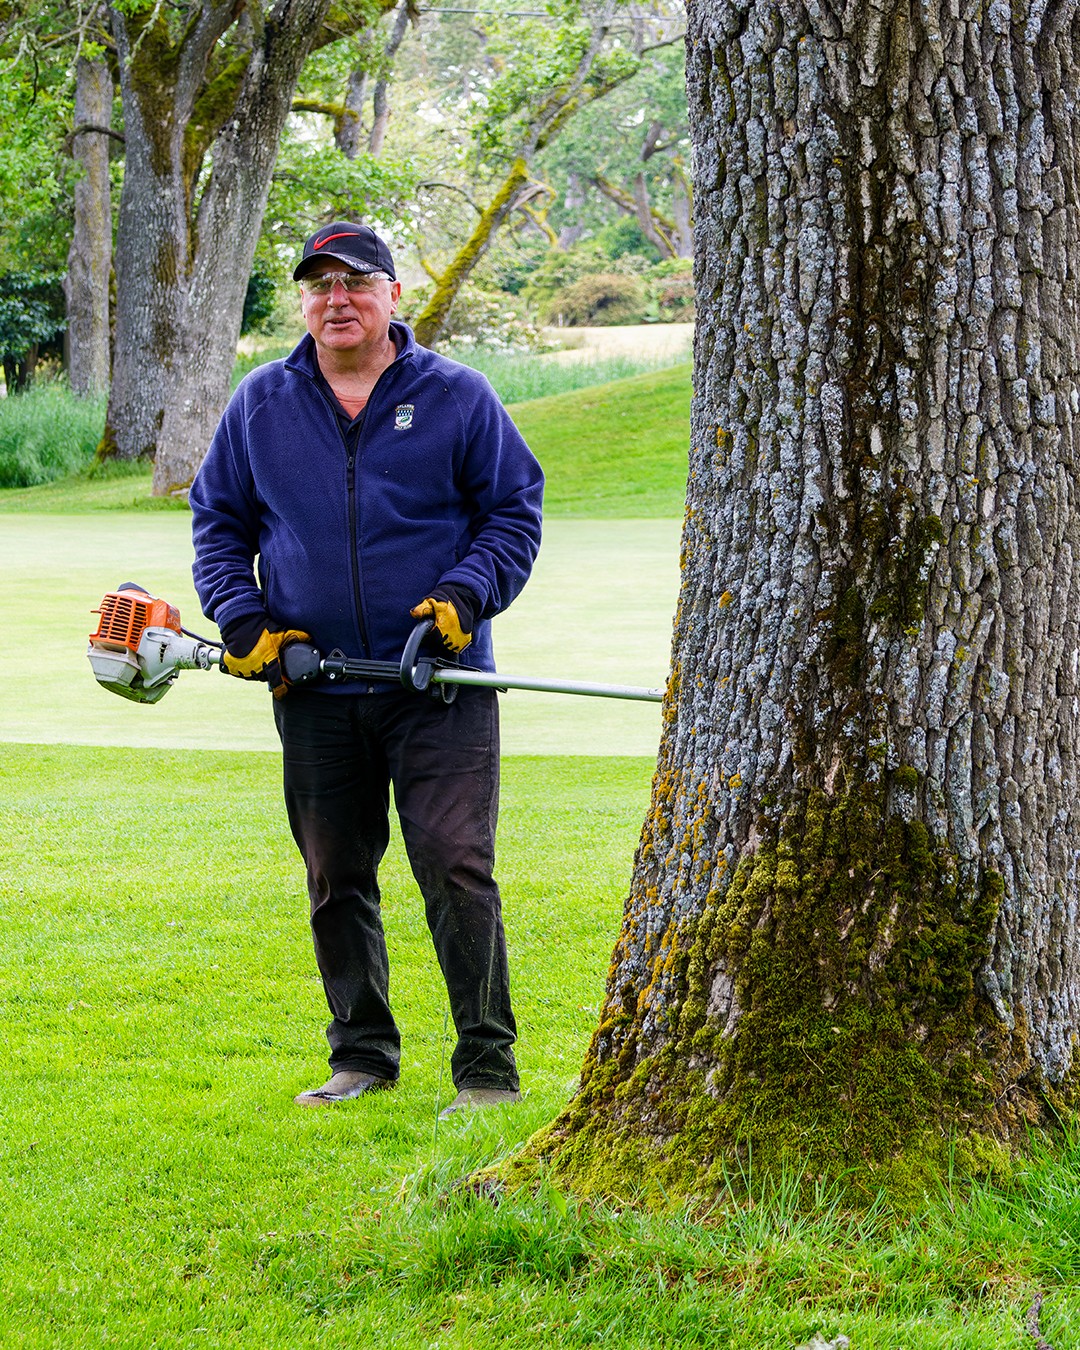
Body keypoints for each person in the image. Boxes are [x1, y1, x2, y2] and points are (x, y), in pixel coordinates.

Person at [189, 222, 543, 1116]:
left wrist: (466, 594)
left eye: (356, 282)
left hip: (440, 686)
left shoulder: (457, 395)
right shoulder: (261, 401)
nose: (337, 299)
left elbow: (513, 512)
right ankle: (362, 1057)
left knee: (456, 867)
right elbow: (218, 523)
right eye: (320, 285)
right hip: (312, 686)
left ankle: (486, 1071)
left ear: (393, 295)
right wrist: (243, 620)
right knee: (334, 875)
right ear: (305, 301)